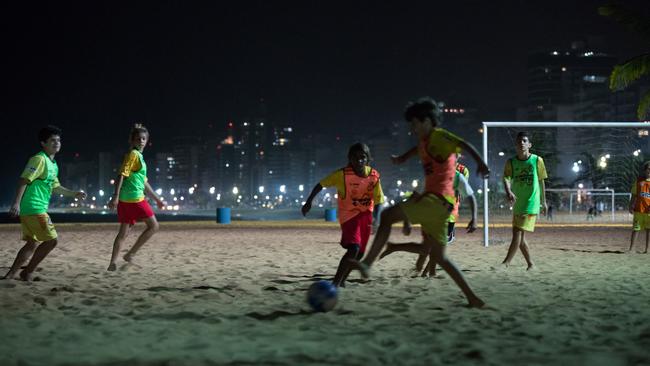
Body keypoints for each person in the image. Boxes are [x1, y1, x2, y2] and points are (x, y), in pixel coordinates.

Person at [351, 97, 489, 308]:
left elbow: (464, 144)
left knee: (387, 216)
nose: (412, 129)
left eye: (414, 124)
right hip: (442, 208)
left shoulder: (440, 136)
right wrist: (402, 158)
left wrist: (481, 163)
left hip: (436, 201)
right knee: (440, 257)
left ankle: (368, 264)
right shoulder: (425, 143)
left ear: (427, 121)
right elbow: (418, 150)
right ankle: (473, 298)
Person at [2, 126, 86, 281]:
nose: (57, 143)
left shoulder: (53, 164)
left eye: (58, 140)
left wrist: (74, 193)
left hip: (33, 209)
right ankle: (27, 272)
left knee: (32, 244)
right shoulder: (39, 159)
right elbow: (24, 180)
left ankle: (11, 274)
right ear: (43, 143)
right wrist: (16, 204)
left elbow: (55, 187)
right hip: (34, 208)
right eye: (52, 140)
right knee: (52, 240)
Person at [302, 143, 384, 287]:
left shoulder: (374, 176)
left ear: (368, 159)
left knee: (359, 254)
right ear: (350, 159)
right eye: (355, 157)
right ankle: (335, 284)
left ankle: (342, 280)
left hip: (366, 216)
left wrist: (376, 219)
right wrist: (309, 202)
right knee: (354, 248)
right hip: (348, 215)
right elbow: (320, 184)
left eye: (362, 157)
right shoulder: (342, 175)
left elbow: (378, 200)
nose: (359, 161)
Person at [380, 169, 478, 277]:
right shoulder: (432, 172)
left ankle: (396, 249)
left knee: (426, 248)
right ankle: (430, 272)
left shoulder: (459, 174)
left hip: (445, 215)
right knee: (434, 249)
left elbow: (469, 196)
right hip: (434, 215)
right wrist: (406, 221)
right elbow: (415, 196)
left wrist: (474, 218)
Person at [107, 124, 164, 271]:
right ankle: (130, 254)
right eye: (138, 138)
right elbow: (121, 174)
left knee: (123, 233)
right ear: (132, 141)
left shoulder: (139, 157)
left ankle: (112, 263)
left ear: (147, 141)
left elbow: (145, 183)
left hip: (126, 201)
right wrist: (115, 196)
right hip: (135, 200)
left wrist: (157, 199)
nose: (141, 141)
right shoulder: (134, 155)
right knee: (154, 226)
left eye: (144, 138)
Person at [501, 131, 547, 270]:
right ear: (515, 145)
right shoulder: (511, 162)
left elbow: (541, 181)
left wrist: (543, 201)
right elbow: (506, 178)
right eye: (519, 141)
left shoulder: (537, 160)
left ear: (529, 144)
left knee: (517, 232)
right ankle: (531, 264)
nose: (521, 143)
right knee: (520, 237)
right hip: (518, 203)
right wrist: (508, 191)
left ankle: (505, 263)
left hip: (531, 203)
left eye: (524, 141)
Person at [628, 161, 650, 253]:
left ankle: (647, 249)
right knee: (636, 229)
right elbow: (634, 195)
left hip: (649, 212)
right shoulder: (639, 181)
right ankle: (632, 249)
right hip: (639, 210)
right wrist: (630, 205)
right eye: (648, 168)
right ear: (645, 170)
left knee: (649, 230)